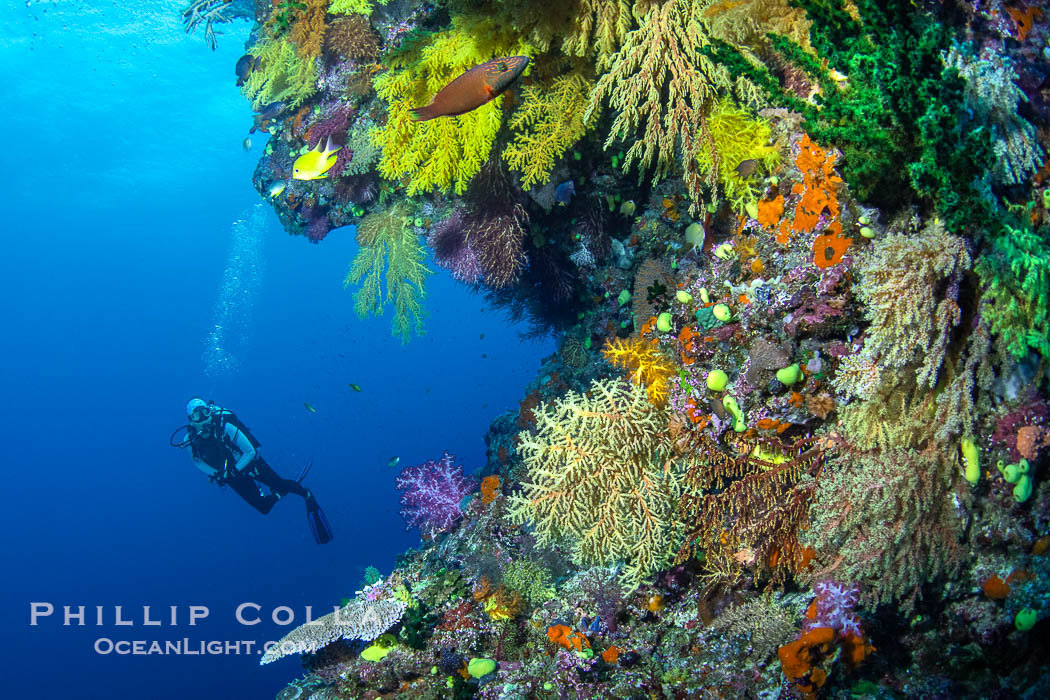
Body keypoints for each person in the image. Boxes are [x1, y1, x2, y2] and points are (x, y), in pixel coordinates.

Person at [172, 398, 333, 544]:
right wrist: (216, 473)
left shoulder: (225, 427)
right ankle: (279, 493)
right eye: (197, 416)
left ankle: (306, 495)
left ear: (210, 412)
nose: (203, 418)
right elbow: (197, 461)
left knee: (279, 482)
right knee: (263, 508)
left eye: (205, 412)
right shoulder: (190, 440)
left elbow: (250, 451)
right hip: (230, 474)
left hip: (250, 464)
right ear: (191, 421)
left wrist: (235, 470)